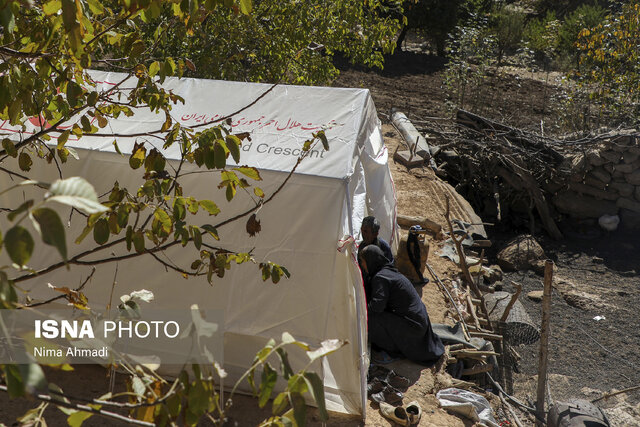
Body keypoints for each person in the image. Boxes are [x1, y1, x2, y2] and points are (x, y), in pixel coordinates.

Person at [360, 245, 444, 365]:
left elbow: (376, 307)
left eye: (363, 262)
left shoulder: (381, 278)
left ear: (369, 261)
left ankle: (391, 351)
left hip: (413, 328)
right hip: (419, 323)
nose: (362, 266)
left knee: (370, 319)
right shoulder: (388, 271)